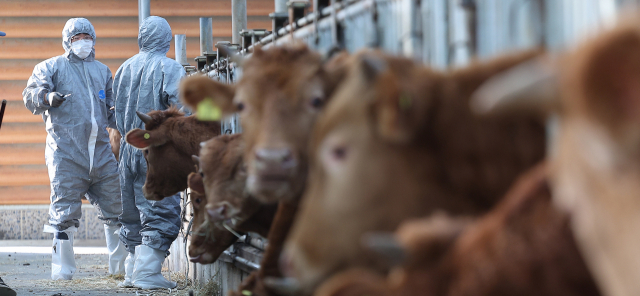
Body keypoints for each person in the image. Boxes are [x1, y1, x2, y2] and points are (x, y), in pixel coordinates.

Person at [22, 18, 128, 280]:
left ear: (93, 39)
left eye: (86, 36)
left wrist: (131, 122)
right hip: (66, 154)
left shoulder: (102, 71)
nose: (82, 41)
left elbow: (112, 110)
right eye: (76, 37)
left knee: (118, 210)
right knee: (63, 215)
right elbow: (29, 94)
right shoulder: (52, 67)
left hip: (102, 155)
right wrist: (47, 97)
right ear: (67, 41)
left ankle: (120, 270)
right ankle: (63, 272)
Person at [113, 16, 187, 289]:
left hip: (128, 148)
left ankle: (132, 272)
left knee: (131, 210)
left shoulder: (124, 68)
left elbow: (114, 111)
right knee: (161, 208)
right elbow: (183, 110)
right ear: (166, 39)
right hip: (156, 152)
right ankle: (147, 273)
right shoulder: (171, 68)